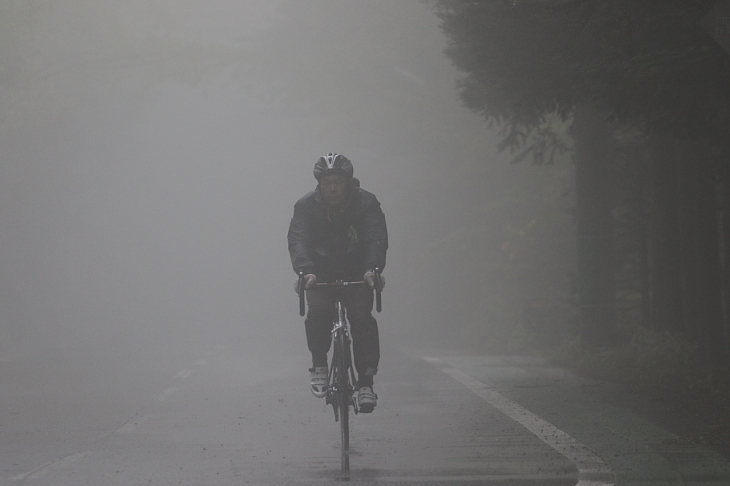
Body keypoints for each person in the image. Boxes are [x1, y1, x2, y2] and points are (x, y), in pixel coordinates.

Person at [288, 153, 388, 413]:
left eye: (338, 182)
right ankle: (320, 364)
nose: (332, 188)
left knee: (361, 318)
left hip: (357, 273)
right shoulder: (305, 206)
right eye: (327, 182)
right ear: (319, 184)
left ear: (349, 182)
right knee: (319, 312)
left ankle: (366, 383)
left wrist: (372, 270)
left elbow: (376, 238)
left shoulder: (366, 202)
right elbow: (298, 241)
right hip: (319, 274)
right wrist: (305, 272)